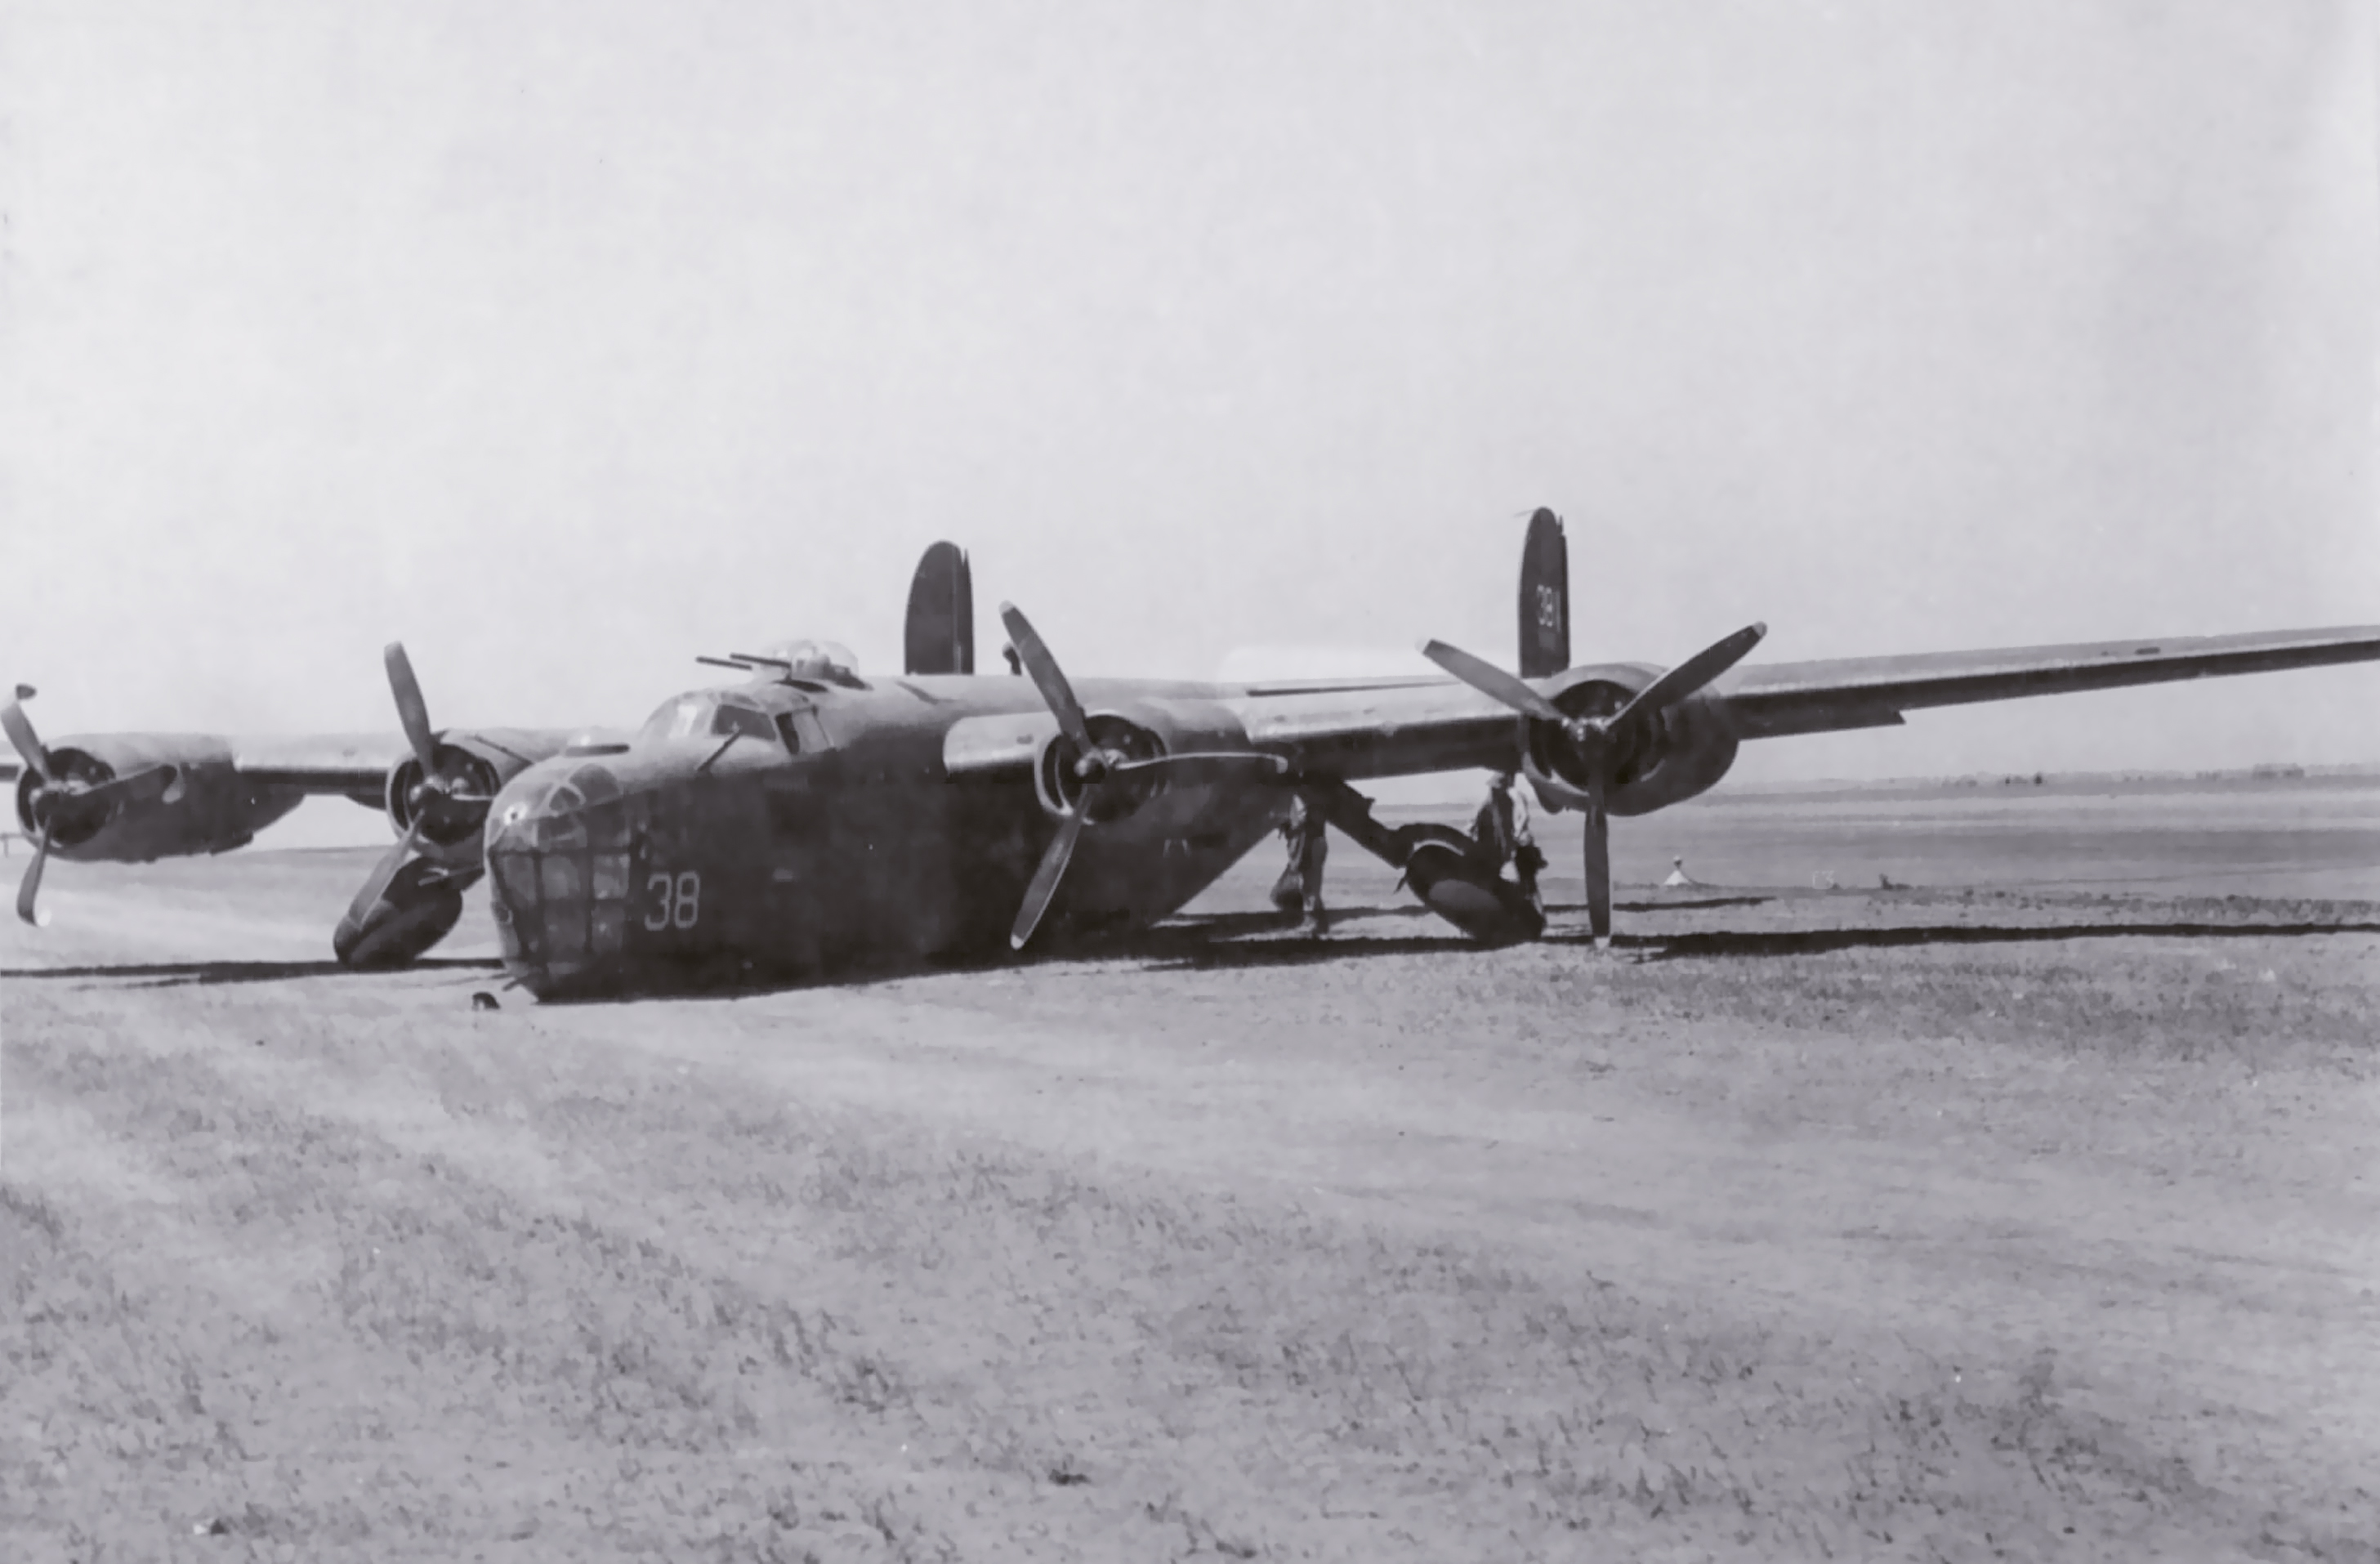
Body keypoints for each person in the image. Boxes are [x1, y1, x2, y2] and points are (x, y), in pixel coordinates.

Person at [1473, 771, 1543, 910]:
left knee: (1525, 883)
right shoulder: (1502, 802)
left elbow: (1507, 827)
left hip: (1510, 849)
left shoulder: (1506, 801)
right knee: (1526, 884)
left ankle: (1530, 913)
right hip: (1508, 849)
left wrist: (1514, 838)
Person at [1273, 791, 1329, 932]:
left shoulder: (1310, 813)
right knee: (1311, 887)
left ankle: (1316, 922)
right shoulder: (1312, 807)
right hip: (1314, 847)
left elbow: (1301, 829)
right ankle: (1318, 922)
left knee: (1310, 888)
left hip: (1312, 848)